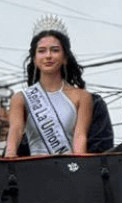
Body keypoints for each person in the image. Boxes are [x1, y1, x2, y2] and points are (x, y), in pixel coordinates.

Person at [5, 15, 92, 157]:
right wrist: (9, 157)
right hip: (34, 170)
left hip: (67, 170)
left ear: (65, 58)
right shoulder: (21, 98)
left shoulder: (82, 97)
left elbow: (80, 137)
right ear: (34, 59)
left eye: (55, 50)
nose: (48, 56)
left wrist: (79, 169)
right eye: (42, 51)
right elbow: (15, 131)